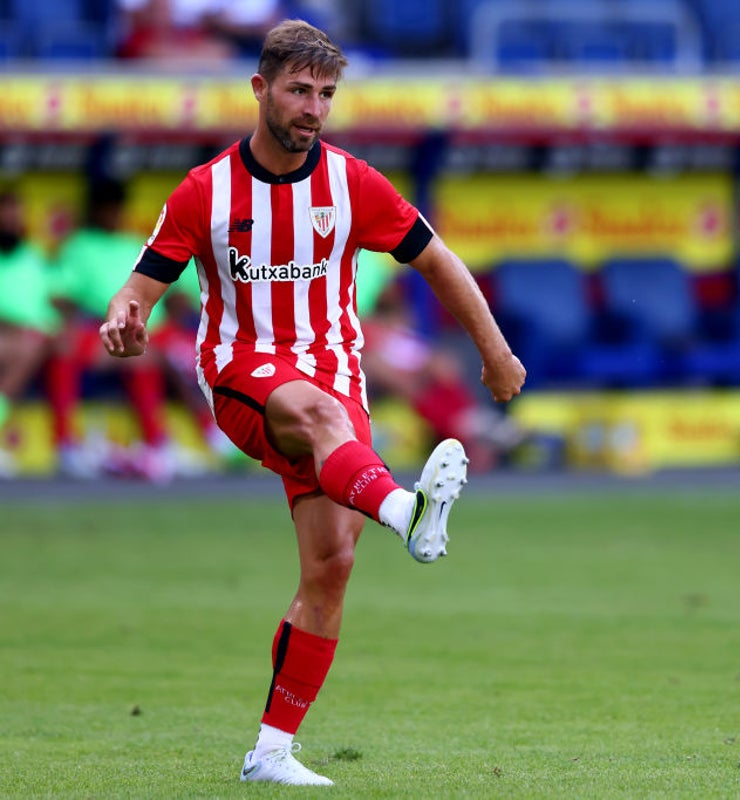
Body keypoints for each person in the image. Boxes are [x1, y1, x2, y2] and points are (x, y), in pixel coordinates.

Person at [99, 20, 525, 786]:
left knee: (331, 565)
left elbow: (438, 260)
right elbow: (140, 287)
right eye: (299, 90)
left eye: (326, 94)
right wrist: (125, 317)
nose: (314, 108)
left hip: (336, 377)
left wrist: (496, 353)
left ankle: (270, 753)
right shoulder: (205, 191)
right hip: (242, 374)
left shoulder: (354, 184)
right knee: (323, 421)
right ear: (259, 88)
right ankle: (407, 512)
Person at [49, 178, 175, 481]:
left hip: (148, 329)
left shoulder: (136, 243)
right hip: (98, 327)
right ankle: (66, 444)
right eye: (108, 209)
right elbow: (61, 295)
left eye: (117, 208)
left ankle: (160, 444)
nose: (113, 214)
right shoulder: (79, 245)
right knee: (64, 346)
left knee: (169, 350)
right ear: (96, 210)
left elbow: (168, 293)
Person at [357, 252, 525, 471]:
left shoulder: (374, 265)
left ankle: (471, 424)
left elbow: (395, 309)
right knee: (398, 376)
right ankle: (471, 429)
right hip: (362, 359)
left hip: (389, 348)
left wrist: (392, 326)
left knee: (442, 365)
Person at [0, 190, 58, 476]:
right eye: (5, 218)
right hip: (6, 333)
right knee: (25, 348)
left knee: (37, 346)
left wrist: (51, 329)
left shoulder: (33, 256)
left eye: (16, 218)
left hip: (28, 337)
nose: (11, 223)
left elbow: (48, 306)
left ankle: (67, 442)